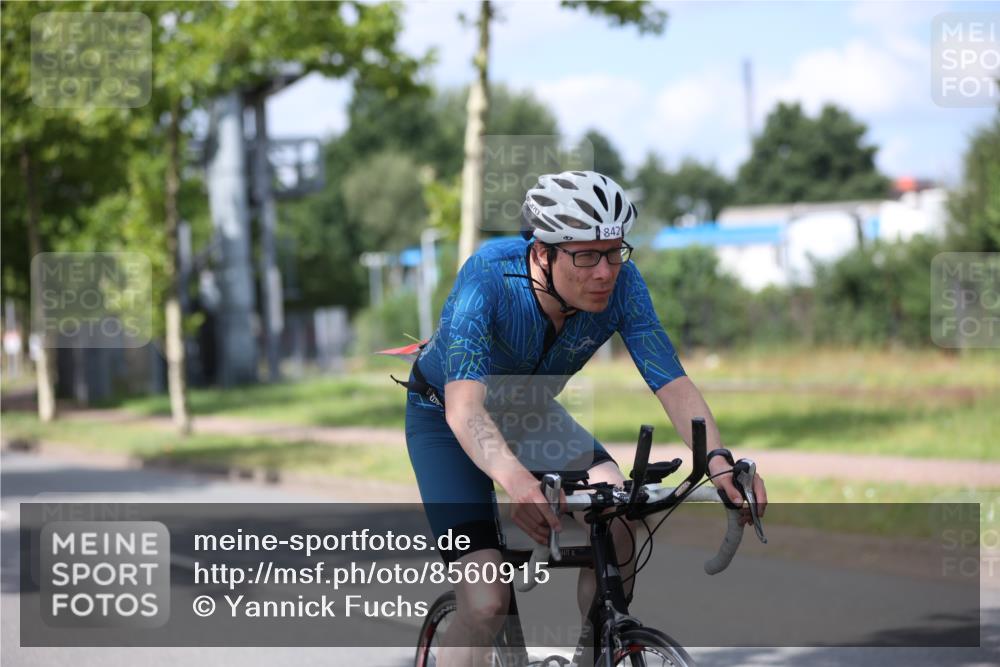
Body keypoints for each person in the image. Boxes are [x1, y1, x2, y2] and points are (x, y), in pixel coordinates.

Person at [400, 170, 767, 666]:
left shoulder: (623, 286)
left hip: (530, 415)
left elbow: (672, 382)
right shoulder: (489, 277)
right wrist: (516, 480)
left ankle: (596, 651)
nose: (605, 271)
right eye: (586, 255)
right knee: (487, 602)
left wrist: (719, 460)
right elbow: (464, 410)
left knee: (616, 521)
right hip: (445, 419)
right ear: (542, 252)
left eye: (615, 251)